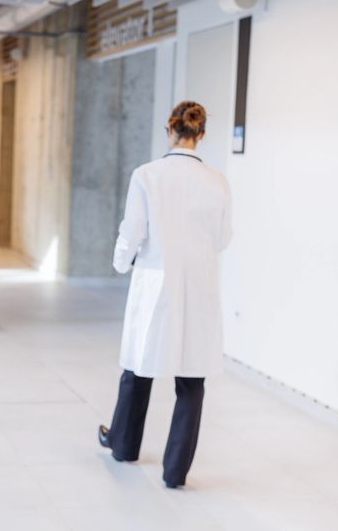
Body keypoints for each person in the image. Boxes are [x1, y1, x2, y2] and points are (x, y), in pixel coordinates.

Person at [97, 101, 232, 489]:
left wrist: (121, 262)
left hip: (156, 283)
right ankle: (175, 472)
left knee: (138, 367)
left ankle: (122, 445)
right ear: (201, 135)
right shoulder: (218, 181)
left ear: (168, 130)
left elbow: (133, 230)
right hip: (200, 287)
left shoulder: (147, 175)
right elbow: (223, 238)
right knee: (192, 381)